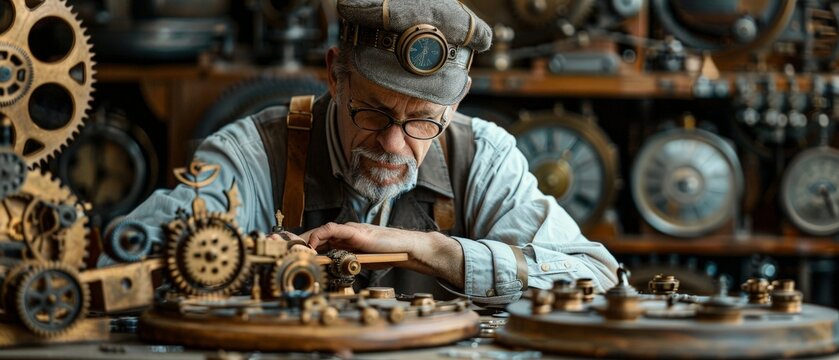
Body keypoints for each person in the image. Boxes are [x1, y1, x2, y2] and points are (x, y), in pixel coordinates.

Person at [122, 0, 619, 305]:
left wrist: (438, 252)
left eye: (423, 121)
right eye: (374, 113)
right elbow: (137, 248)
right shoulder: (256, 151)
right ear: (334, 74)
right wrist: (257, 261)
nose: (393, 142)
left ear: (457, 100)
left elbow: (602, 281)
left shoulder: (482, 155)